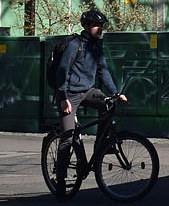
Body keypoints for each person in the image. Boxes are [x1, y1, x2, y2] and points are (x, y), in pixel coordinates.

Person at [54, 8, 126, 140]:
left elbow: (103, 71)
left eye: (101, 26)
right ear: (86, 26)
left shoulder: (96, 47)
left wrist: (115, 93)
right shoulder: (75, 45)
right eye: (96, 25)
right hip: (69, 94)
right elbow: (62, 70)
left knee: (109, 105)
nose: (100, 29)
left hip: (87, 91)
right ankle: (62, 160)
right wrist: (63, 98)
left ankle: (101, 147)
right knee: (67, 139)